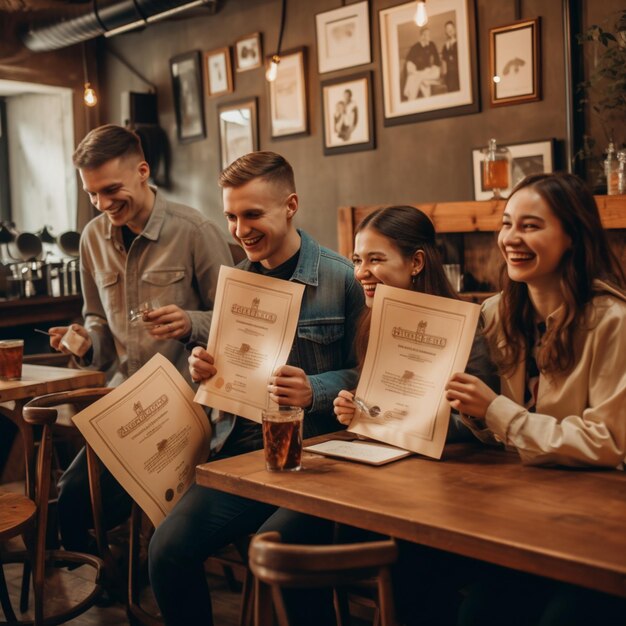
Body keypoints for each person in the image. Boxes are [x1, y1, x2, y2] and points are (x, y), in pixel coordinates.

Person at [148, 151, 364, 625]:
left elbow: (368, 377)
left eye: (251, 214)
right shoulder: (237, 280)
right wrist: (204, 369)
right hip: (242, 455)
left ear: (290, 205)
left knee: (279, 562)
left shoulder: (341, 278)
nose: (239, 228)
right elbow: (225, 373)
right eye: (230, 215)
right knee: (165, 549)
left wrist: (316, 389)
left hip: (318, 462)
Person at [257, 205, 500, 626]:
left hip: (437, 490)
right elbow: (379, 404)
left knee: (410, 567)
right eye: (356, 260)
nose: (361, 272)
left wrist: (418, 423)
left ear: (417, 262)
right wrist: (355, 411)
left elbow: (482, 426)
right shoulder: (373, 320)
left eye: (374, 259)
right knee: (277, 539)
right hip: (375, 478)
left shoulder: (463, 325)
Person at [445, 172, 626, 625]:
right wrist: (471, 412)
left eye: (530, 226)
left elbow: (607, 442)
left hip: (596, 526)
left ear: (572, 236)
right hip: (518, 513)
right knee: (469, 610)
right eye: (507, 223)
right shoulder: (493, 313)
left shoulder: (612, 320)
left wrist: (494, 409)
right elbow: (497, 436)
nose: (511, 238)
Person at [48, 124, 233, 556]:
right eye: (92, 194)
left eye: (111, 189)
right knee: (72, 498)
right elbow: (98, 322)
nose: (103, 203)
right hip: (121, 402)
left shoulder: (195, 229)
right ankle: (110, 576)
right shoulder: (92, 238)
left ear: (143, 171)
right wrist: (84, 342)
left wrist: (190, 322)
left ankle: (142, 564)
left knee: (104, 498)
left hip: (187, 404)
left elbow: (235, 321)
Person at [404, 27, 441, 100]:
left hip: (429, 72)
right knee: (416, 78)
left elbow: (437, 60)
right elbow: (409, 63)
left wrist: (434, 67)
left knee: (414, 78)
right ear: (421, 36)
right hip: (419, 73)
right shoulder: (415, 47)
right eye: (426, 35)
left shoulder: (431, 44)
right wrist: (413, 70)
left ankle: (409, 95)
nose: (428, 38)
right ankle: (427, 84)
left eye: (429, 35)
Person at [441, 20, 460, 92]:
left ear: (454, 29)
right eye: (447, 29)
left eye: (451, 29)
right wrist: (444, 75)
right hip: (449, 74)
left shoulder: (459, 42)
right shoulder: (445, 46)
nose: (449, 31)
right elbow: (444, 61)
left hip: (458, 71)